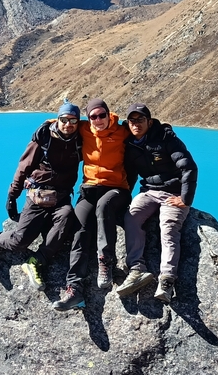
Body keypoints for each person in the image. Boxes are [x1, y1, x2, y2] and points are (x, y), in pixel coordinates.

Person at [0, 101, 82, 291]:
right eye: (64, 120)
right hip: (38, 196)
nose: (68, 124)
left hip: (61, 198)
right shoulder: (44, 138)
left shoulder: (80, 140)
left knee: (66, 218)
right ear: (58, 119)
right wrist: (12, 196)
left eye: (73, 120)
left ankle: (36, 261)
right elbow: (23, 168)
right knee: (20, 241)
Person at [53, 98, 132, 311]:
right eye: (93, 117)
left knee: (104, 207)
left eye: (101, 115)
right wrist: (47, 125)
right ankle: (74, 290)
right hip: (89, 190)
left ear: (108, 114)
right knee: (79, 227)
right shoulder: (84, 129)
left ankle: (106, 262)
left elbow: (145, 132)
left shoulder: (122, 131)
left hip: (117, 190)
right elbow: (63, 122)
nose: (98, 120)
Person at [115, 103, 198, 303]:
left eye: (140, 120)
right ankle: (136, 269)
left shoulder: (165, 138)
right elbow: (130, 175)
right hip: (150, 192)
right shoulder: (130, 144)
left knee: (168, 228)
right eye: (132, 121)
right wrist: (125, 198)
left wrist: (185, 199)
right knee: (131, 217)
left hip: (173, 192)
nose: (136, 124)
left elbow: (189, 167)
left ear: (149, 122)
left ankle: (167, 279)